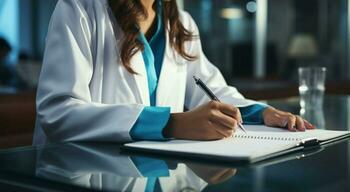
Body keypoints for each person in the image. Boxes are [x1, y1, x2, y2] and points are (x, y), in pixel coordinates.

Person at [33, 0, 314, 145]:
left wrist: (263, 113)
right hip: (84, 177)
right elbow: (58, 112)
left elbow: (213, 90)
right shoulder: (79, 8)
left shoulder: (180, 23)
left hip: (160, 176)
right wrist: (171, 124)